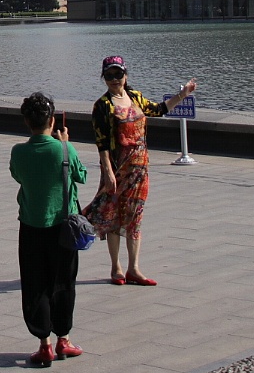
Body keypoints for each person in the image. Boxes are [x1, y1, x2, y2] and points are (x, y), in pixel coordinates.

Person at [83, 55, 197, 286]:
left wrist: (183, 94)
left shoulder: (135, 97)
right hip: (117, 169)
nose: (114, 79)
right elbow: (102, 143)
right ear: (104, 78)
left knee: (135, 216)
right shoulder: (102, 105)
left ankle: (134, 268)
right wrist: (108, 171)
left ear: (125, 75)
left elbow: (159, 109)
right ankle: (116, 267)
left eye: (118, 74)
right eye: (109, 75)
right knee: (114, 215)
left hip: (140, 169)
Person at [10, 91, 86, 367]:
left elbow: (17, 175)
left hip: (31, 225)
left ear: (26, 122)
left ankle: (44, 345)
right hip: (62, 227)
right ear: (52, 120)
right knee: (63, 282)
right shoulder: (64, 149)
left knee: (35, 283)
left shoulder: (18, 151)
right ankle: (64, 339)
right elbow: (82, 175)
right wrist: (64, 144)